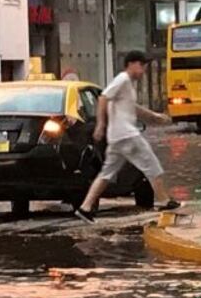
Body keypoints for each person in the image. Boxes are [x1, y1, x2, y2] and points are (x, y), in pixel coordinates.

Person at [75, 50, 179, 223]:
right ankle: (163, 201)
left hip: (118, 137)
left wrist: (155, 116)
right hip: (127, 135)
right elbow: (103, 98)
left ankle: (85, 208)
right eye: (141, 65)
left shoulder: (128, 84)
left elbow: (134, 108)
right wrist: (100, 124)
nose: (143, 70)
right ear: (131, 64)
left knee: (106, 173)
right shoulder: (122, 79)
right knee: (152, 165)